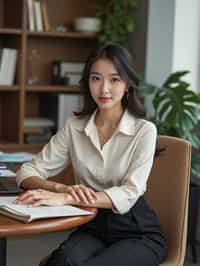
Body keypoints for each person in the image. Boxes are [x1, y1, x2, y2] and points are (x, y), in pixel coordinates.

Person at [16, 42, 167, 266]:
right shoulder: (74, 127)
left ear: (127, 84)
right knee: (60, 262)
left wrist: (67, 198)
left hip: (136, 231)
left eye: (114, 79)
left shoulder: (144, 131)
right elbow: (27, 171)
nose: (104, 89)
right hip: (92, 227)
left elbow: (130, 191)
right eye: (96, 78)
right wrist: (60, 188)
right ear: (88, 82)